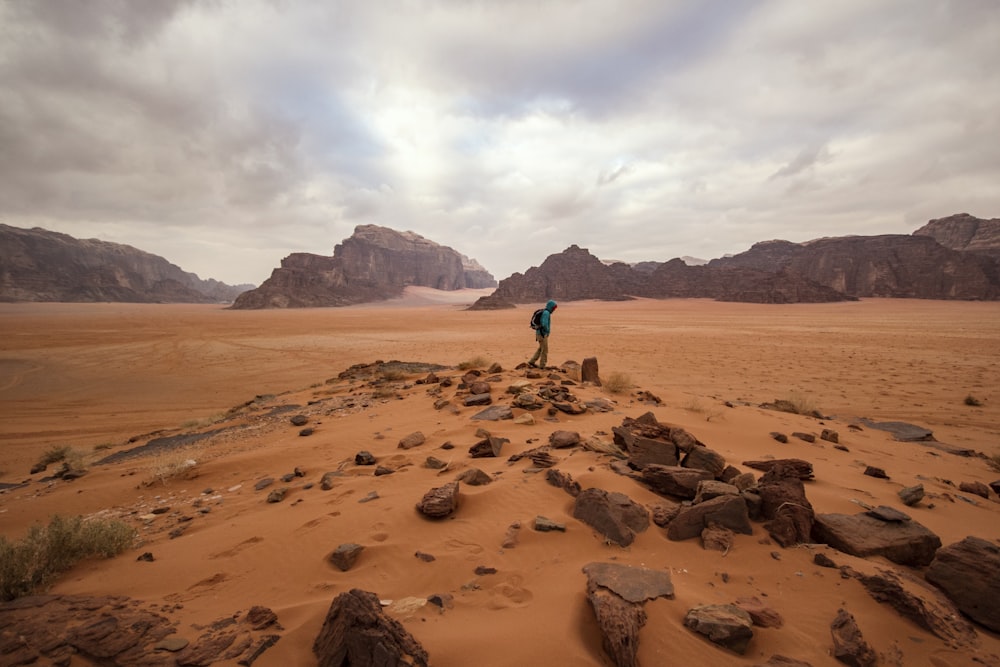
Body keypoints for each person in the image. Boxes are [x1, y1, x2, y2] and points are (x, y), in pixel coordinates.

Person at [528, 299, 557, 368]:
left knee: (541, 348)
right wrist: (547, 331)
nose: (554, 310)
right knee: (545, 350)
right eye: (553, 308)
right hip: (542, 334)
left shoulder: (545, 312)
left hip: (539, 334)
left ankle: (531, 361)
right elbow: (544, 324)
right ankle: (542, 366)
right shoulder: (546, 313)